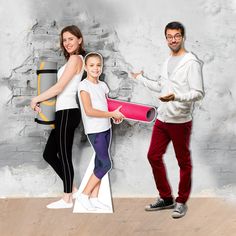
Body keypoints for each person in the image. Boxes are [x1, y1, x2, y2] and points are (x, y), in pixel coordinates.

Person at [131, 21, 204, 218]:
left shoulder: (191, 62)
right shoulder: (166, 62)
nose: (173, 40)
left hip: (180, 120)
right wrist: (140, 79)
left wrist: (176, 97)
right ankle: (166, 198)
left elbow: (198, 93)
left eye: (177, 36)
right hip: (162, 119)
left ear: (183, 37)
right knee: (153, 156)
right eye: (170, 36)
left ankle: (181, 202)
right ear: (166, 39)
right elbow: (161, 87)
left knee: (183, 162)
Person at [30, 25, 85, 209]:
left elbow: (59, 88)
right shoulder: (71, 60)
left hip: (68, 112)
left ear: (80, 40)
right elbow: (58, 90)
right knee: (49, 154)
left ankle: (67, 198)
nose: (67, 43)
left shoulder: (76, 59)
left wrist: (36, 98)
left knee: (64, 154)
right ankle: (74, 190)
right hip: (62, 112)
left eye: (71, 38)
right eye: (64, 40)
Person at [77, 52, 124, 211]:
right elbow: (89, 111)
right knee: (106, 164)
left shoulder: (103, 86)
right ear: (85, 67)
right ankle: (84, 195)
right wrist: (111, 114)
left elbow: (107, 107)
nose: (95, 68)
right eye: (91, 65)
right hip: (94, 131)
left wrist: (114, 118)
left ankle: (95, 198)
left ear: (102, 67)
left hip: (107, 128)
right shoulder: (84, 86)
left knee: (99, 162)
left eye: (98, 65)